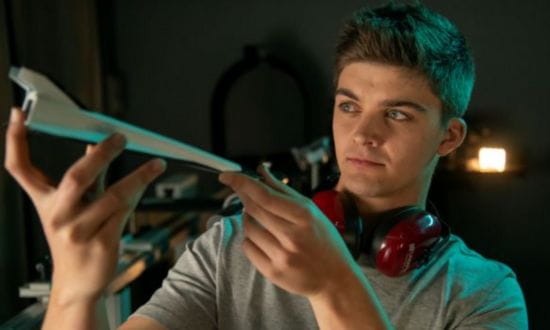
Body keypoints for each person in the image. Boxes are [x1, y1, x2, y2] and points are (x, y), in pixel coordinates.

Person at [4, 2, 528, 329]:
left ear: (449, 137)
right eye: (349, 106)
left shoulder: (484, 296)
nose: (364, 134)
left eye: (397, 114)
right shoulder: (230, 248)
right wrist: (77, 288)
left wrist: (333, 286)